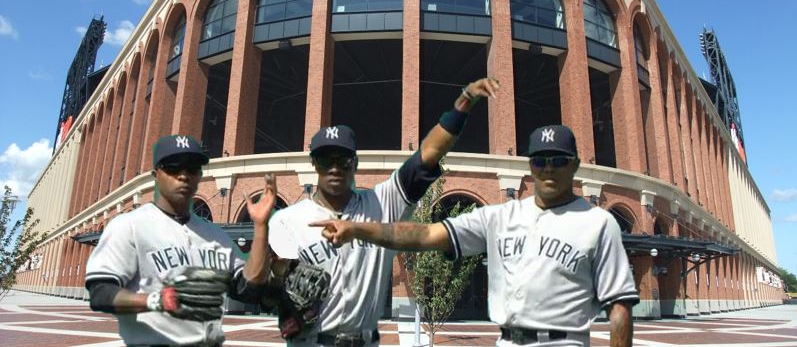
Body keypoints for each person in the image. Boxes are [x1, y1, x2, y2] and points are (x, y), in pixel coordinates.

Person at [314, 124, 638, 347]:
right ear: (530, 166)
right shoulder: (501, 216)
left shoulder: (598, 223)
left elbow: (619, 307)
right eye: (540, 160)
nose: (549, 168)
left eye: (558, 160)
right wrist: (358, 228)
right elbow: (426, 234)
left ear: (575, 164)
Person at [267, 77, 500, 346]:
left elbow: (429, 154)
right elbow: (263, 289)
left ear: (355, 163)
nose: (334, 168)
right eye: (325, 160)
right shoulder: (287, 220)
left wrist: (464, 101)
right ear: (314, 164)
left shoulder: (381, 203)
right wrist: (277, 283)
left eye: (343, 160)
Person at [85, 134, 278, 346]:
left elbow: (248, 289)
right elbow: (101, 292)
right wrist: (156, 300)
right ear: (156, 174)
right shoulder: (129, 225)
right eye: (173, 167)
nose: (183, 175)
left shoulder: (216, 236)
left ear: (199, 175)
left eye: (192, 168)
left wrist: (261, 226)